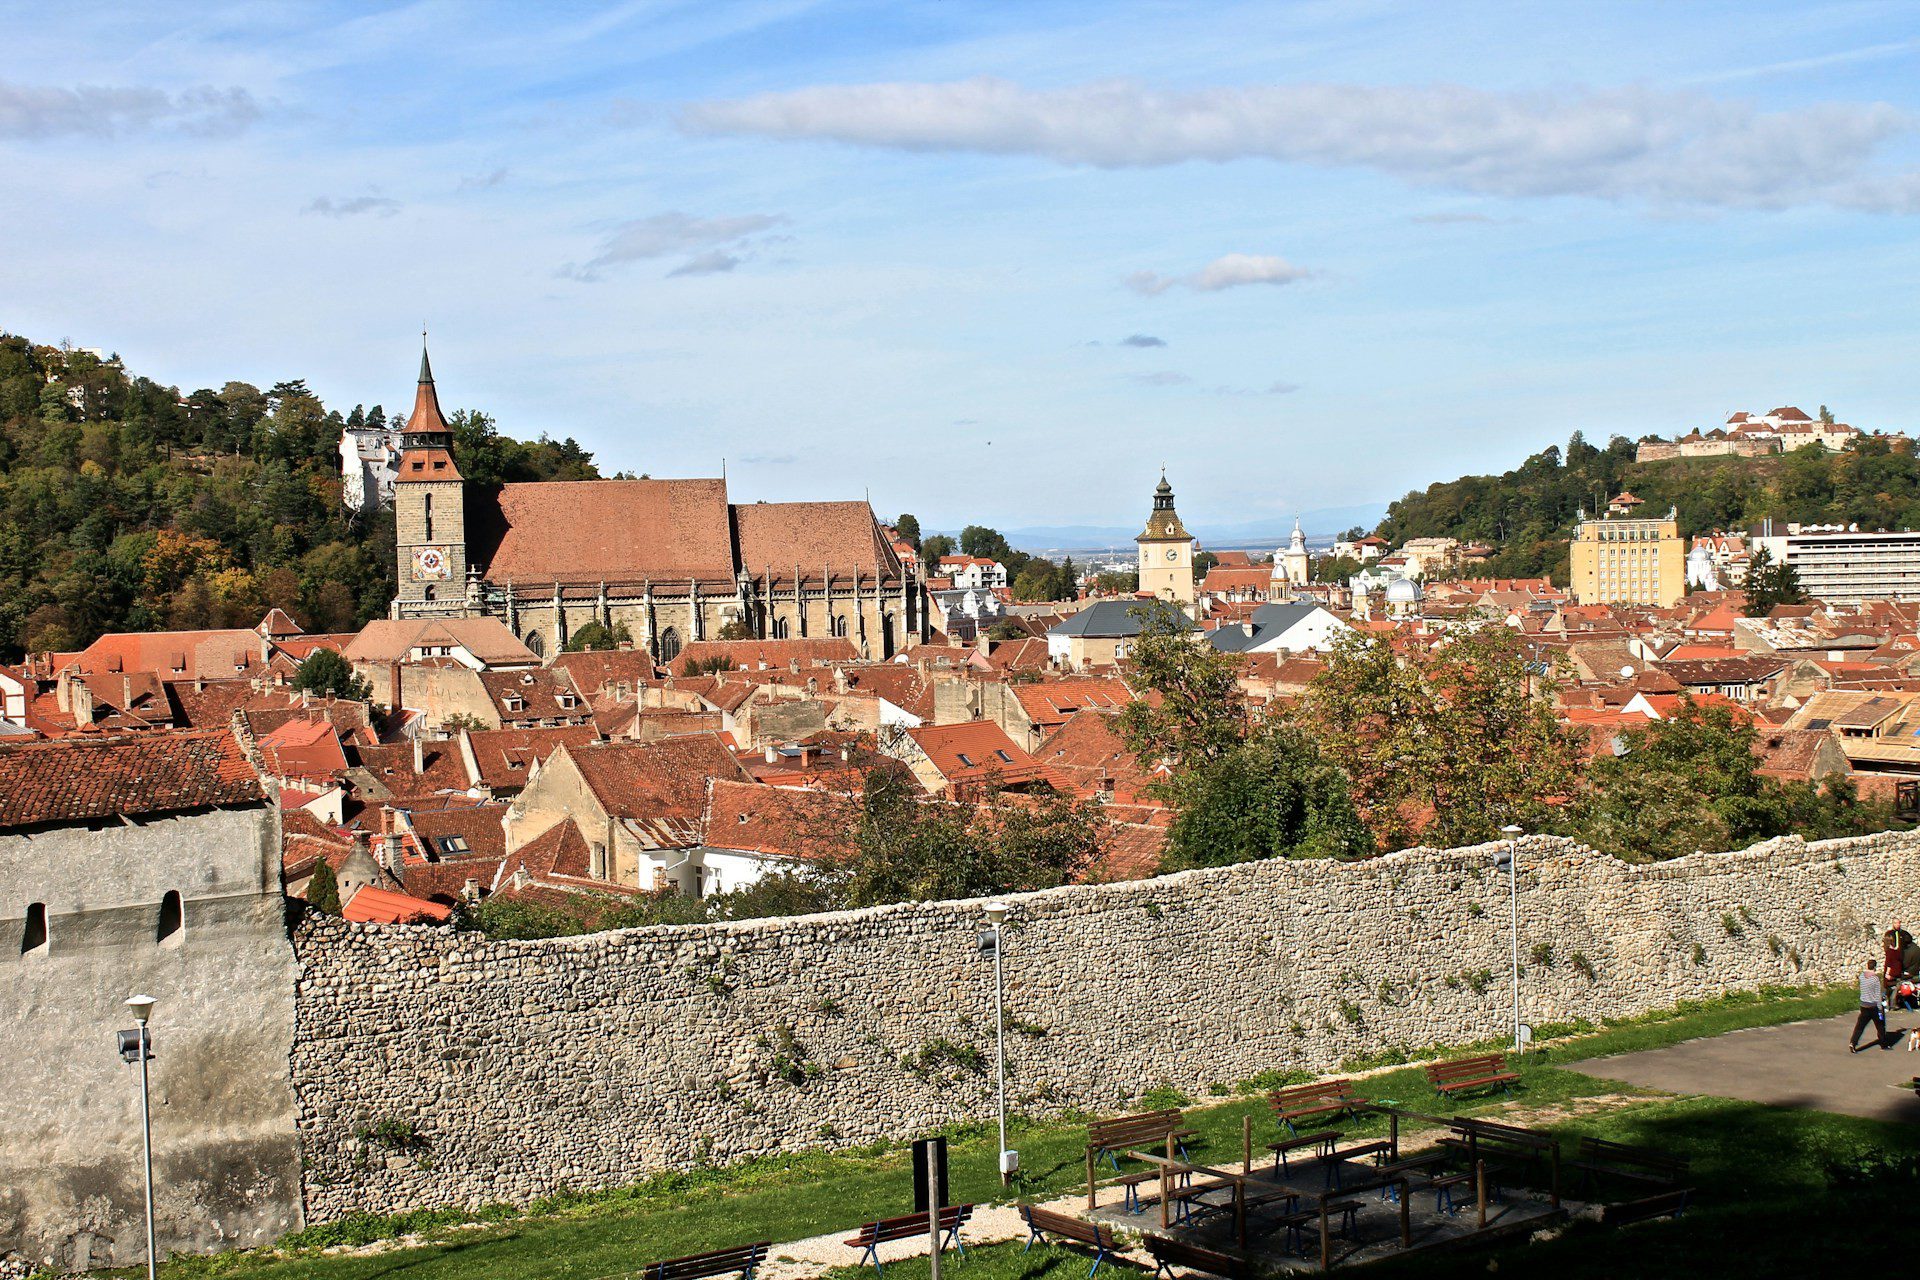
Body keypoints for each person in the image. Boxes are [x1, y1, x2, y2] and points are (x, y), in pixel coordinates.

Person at [1850, 958, 1886, 1053]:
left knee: (1860, 1026)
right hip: (1873, 1006)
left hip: (1863, 1005)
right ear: (1875, 967)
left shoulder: (1862, 976)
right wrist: (1880, 1008)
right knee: (1880, 1025)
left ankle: (1853, 1042)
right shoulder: (1875, 979)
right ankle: (1883, 1044)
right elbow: (1878, 995)